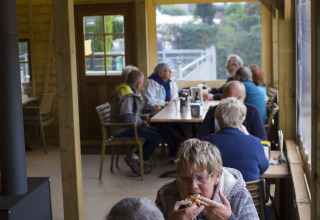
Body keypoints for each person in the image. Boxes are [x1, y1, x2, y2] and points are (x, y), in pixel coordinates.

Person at [155, 138, 259, 220]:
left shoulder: (238, 195)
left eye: (201, 178)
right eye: (185, 178)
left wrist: (229, 218)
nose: (192, 186)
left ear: (217, 177)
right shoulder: (166, 194)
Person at [203, 97, 269, 182]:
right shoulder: (255, 142)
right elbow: (264, 168)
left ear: (217, 119)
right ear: (242, 120)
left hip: (219, 194)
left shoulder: (207, 144)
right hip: (250, 194)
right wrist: (248, 136)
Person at [110, 69, 161, 176]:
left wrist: (150, 110)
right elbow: (126, 117)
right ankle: (134, 158)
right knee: (156, 137)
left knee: (156, 133)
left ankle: (136, 158)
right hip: (122, 129)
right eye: (142, 83)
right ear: (138, 83)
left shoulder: (127, 89)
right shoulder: (127, 95)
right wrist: (141, 122)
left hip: (127, 126)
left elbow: (134, 112)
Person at [197, 81, 267, 140]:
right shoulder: (213, 111)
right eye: (230, 98)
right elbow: (200, 139)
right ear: (222, 98)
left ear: (244, 98)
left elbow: (263, 141)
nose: (235, 102)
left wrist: (247, 136)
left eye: (239, 98)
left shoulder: (252, 112)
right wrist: (216, 135)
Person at [141, 62, 183, 156]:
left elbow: (175, 97)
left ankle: (184, 145)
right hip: (152, 111)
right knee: (165, 123)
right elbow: (150, 101)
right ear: (160, 73)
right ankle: (175, 148)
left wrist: (167, 103)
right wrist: (165, 103)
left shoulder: (171, 82)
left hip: (168, 110)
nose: (171, 72)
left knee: (180, 122)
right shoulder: (151, 83)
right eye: (168, 70)